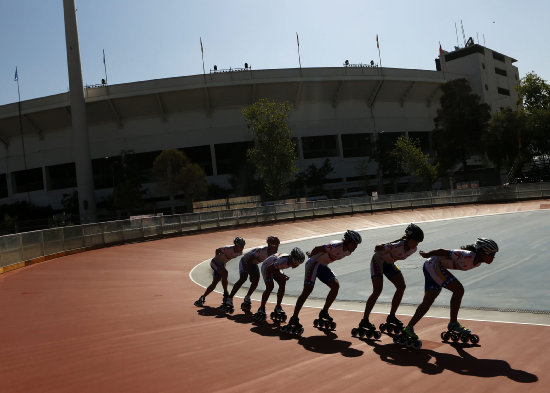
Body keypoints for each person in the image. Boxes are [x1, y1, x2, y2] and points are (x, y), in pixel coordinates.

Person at [401, 237, 499, 342]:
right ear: (482, 252)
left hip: (431, 266)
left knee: (428, 300)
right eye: (492, 255)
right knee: (459, 290)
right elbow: (442, 251)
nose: (493, 257)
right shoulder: (467, 255)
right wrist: (427, 254)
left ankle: (409, 327)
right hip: (433, 265)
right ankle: (453, 323)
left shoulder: (477, 262)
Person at [282, 230, 362, 333]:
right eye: (354, 244)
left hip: (322, 266)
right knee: (308, 290)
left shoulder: (348, 252)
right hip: (313, 264)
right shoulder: (335, 245)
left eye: (357, 244)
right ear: (347, 241)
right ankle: (294, 317)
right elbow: (317, 248)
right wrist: (311, 255)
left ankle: (324, 312)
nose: (356, 246)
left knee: (335, 286)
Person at [357, 223, 424, 334]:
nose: (417, 244)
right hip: (378, 261)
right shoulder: (398, 245)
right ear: (408, 238)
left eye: (418, 242)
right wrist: (395, 242)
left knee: (401, 286)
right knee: (378, 290)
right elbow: (377, 248)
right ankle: (364, 320)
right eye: (415, 240)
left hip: (389, 263)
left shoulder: (413, 249)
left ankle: (391, 316)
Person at [226, 236, 280, 312]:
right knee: (243, 278)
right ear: (270, 245)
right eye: (275, 245)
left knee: (256, 280)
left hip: (253, 263)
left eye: (278, 245)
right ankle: (230, 298)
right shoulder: (262, 251)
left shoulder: (274, 254)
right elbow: (249, 260)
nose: (277, 247)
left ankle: (247, 297)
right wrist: (251, 274)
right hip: (246, 261)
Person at [252, 247, 306, 322]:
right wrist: (281, 275)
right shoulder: (283, 261)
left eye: (299, 264)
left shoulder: (288, 261)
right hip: (267, 267)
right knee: (270, 287)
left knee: (282, 282)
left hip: (276, 266)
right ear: (293, 259)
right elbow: (270, 269)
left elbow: (278, 268)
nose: (297, 265)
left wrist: (282, 276)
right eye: (296, 263)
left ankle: (278, 306)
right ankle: (262, 308)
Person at [194, 237, 246, 312]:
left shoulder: (239, 253)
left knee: (214, 283)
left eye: (243, 246)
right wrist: (216, 258)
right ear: (236, 245)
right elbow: (217, 250)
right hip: (215, 263)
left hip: (221, 265)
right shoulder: (228, 248)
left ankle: (202, 297)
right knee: (225, 273)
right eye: (240, 246)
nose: (242, 248)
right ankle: (225, 293)